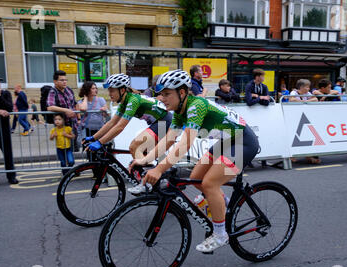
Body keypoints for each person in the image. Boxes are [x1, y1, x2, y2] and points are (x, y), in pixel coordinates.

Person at [130, 69, 260, 253]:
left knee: (209, 184)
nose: (161, 98)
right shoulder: (179, 111)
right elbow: (168, 140)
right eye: (160, 94)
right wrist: (145, 160)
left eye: (167, 94)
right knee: (196, 177)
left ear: (181, 93)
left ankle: (221, 234)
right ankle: (223, 203)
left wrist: (159, 169)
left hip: (244, 142)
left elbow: (184, 144)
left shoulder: (196, 105)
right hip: (228, 140)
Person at [85, 73, 174, 162]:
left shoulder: (133, 101)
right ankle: (147, 171)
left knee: (134, 146)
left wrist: (100, 142)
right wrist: (94, 138)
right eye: (109, 91)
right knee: (140, 152)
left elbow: (120, 127)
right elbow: (111, 123)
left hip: (164, 121)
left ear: (122, 90)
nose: (109, 94)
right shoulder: (124, 102)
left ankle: (147, 173)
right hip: (158, 122)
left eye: (112, 91)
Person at [46, 70, 80, 151]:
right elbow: (50, 107)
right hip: (62, 126)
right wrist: (65, 110)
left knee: (74, 148)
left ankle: (71, 163)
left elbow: (75, 104)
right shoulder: (53, 92)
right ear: (55, 81)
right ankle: (66, 163)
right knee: (65, 149)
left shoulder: (68, 89)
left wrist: (79, 119)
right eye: (62, 80)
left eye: (65, 80)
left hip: (73, 124)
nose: (64, 82)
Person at [289, 79, 320, 164]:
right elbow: (291, 100)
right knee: (294, 137)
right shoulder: (294, 93)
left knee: (306, 136)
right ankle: (291, 155)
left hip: (304, 117)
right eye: (307, 87)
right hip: (293, 118)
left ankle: (308, 155)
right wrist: (304, 102)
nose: (309, 88)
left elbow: (316, 100)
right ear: (301, 87)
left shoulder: (308, 94)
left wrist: (305, 101)